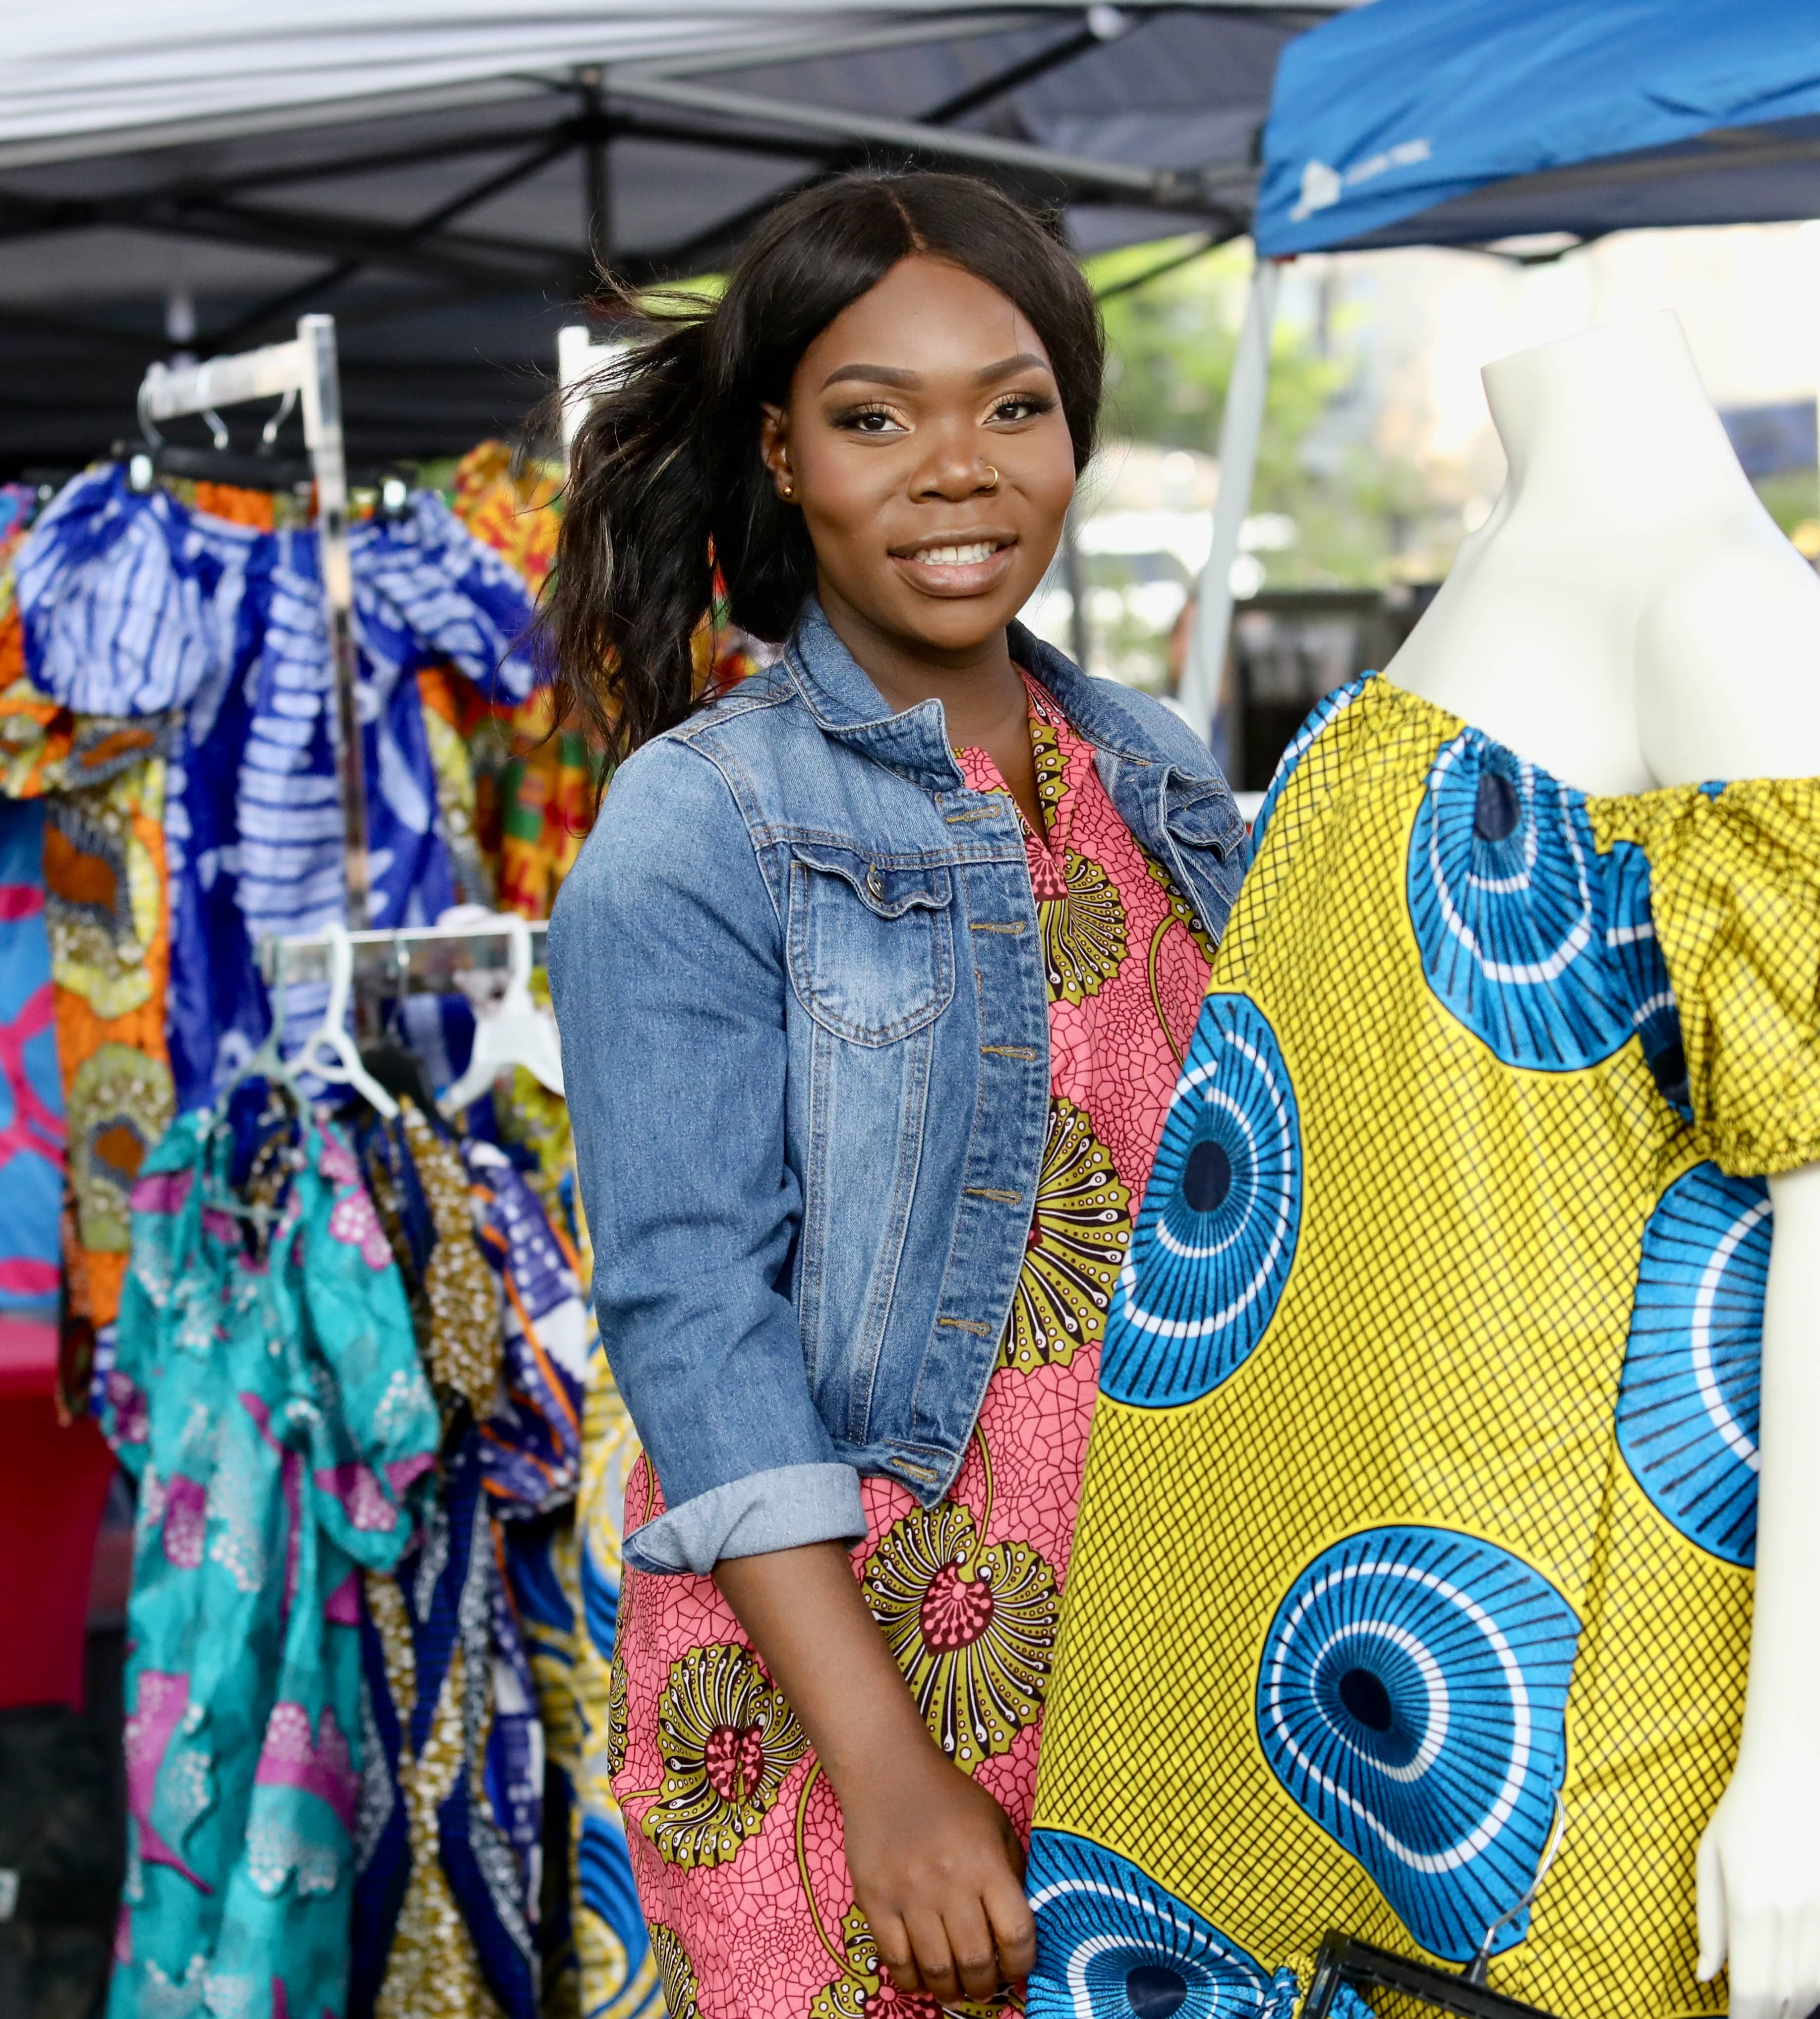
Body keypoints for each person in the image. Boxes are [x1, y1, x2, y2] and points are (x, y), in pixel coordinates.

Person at [544, 173, 1251, 2012]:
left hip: (1168, 1651)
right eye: (877, 418)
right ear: (780, 453)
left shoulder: (1153, 767)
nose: (959, 470)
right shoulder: (698, 824)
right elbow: (688, 1316)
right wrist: (884, 1768)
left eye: (1013, 407)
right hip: (855, 1688)